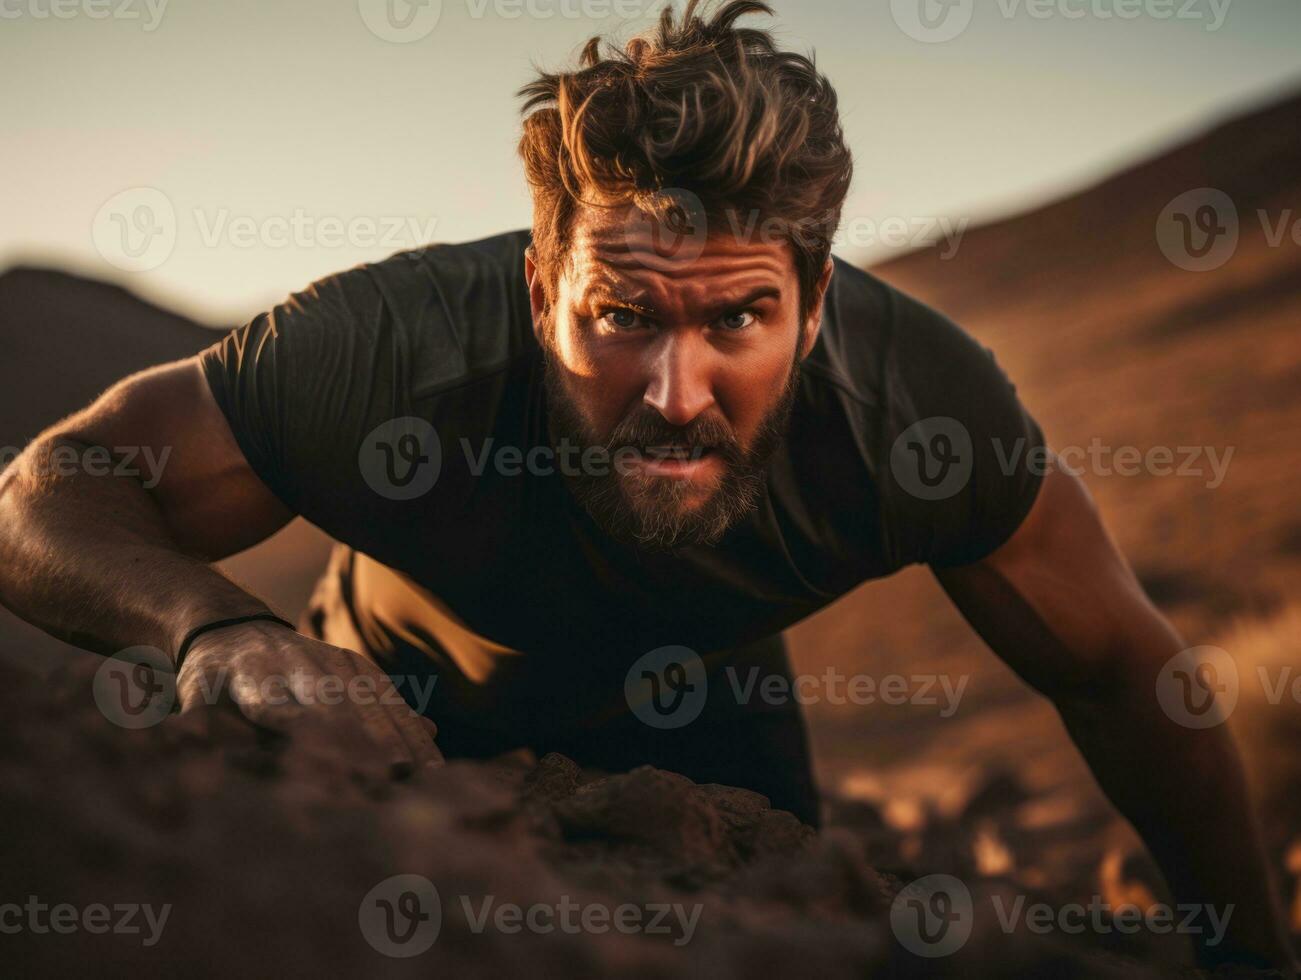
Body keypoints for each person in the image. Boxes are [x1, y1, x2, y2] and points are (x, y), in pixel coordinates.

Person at [0, 0, 1291, 971]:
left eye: (740, 318)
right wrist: (210, 626)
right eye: (619, 316)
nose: (675, 390)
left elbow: (1122, 669)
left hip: (705, 732)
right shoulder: (389, 345)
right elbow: (44, 493)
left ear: (816, 302)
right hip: (374, 711)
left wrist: (1248, 958)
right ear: (533, 283)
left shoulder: (918, 411)